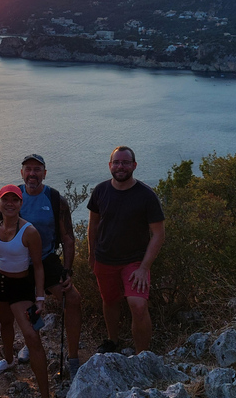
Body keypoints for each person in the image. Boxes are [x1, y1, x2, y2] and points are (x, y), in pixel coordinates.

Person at [0, 153, 83, 380]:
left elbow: (68, 238)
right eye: (28, 169)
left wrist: (67, 270)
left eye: (37, 169)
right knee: (24, 308)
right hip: (16, 263)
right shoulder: (9, 199)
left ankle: (73, 358)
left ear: (44, 173)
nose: (32, 174)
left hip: (46, 259)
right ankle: (22, 350)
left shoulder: (55, 199)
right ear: (22, 173)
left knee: (73, 299)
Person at [87, 146, 165, 354]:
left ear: (134, 165)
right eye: (117, 162)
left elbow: (158, 234)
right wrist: (91, 254)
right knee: (109, 301)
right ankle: (113, 340)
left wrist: (144, 268)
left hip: (135, 262)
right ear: (110, 165)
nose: (120, 166)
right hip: (105, 259)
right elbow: (93, 224)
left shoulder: (146, 195)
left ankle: (142, 356)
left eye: (125, 162)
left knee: (138, 306)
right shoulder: (100, 191)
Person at [0, 185, 50, 398]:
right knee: (5, 324)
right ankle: (9, 361)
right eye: (5, 200)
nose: (10, 204)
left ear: (21, 203)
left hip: (21, 288)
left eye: (15, 200)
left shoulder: (30, 232)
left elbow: (38, 266)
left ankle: (45, 393)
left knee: (32, 337)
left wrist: (39, 298)